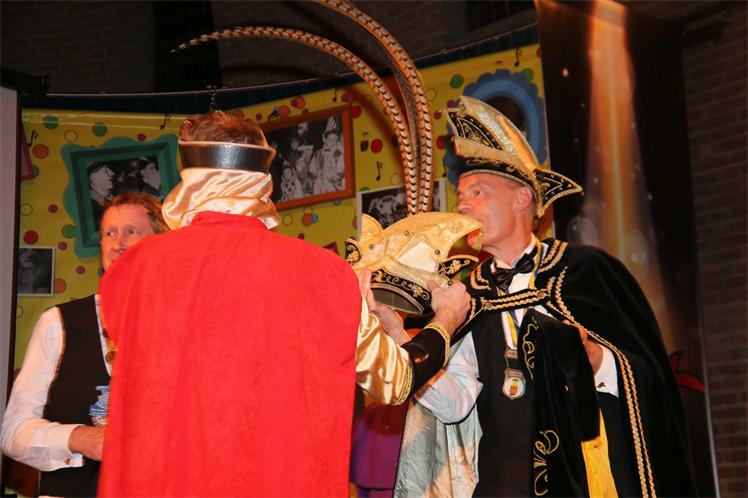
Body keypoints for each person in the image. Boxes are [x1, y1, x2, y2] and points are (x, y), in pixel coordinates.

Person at [96, 110, 470, 497]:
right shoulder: (326, 274)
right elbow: (396, 380)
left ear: (188, 176)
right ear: (264, 181)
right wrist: (445, 318)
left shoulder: (131, 273)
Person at [392, 96, 696, 497]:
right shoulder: (466, 296)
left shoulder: (586, 272)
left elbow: (651, 379)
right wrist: (397, 337)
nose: (463, 205)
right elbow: (456, 405)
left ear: (522, 199)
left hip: (588, 481)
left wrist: (598, 361)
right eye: (461, 195)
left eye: (478, 192)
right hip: (503, 487)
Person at [1, 191, 168, 497]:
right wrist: (80, 438)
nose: (118, 243)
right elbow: (13, 432)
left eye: (132, 231)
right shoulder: (58, 323)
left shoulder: (183, 327)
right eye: (109, 233)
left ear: (162, 244)